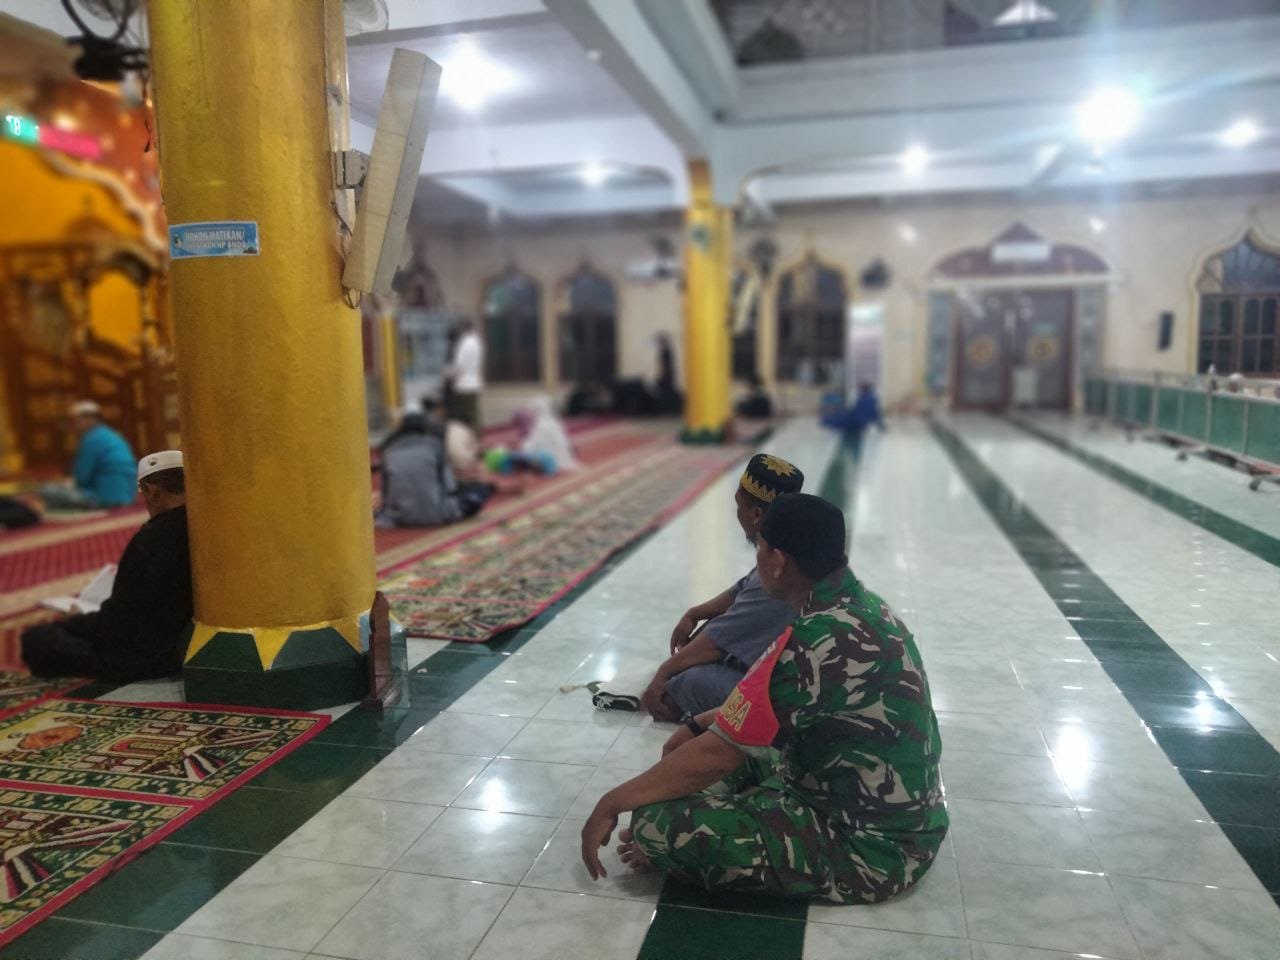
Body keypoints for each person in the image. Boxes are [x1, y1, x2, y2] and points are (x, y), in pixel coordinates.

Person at [581, 493, 947, 904]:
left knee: (654, 820)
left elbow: (717, 756)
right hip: (892, 813)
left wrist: (611, 803)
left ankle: (695, 841)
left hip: (871, 850)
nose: (756, 560)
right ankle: (748, 814)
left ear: (777, 561)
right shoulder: (861, 606)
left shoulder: (814, 640)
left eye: (759, 547)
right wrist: (697, 724)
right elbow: (766, 707)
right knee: (683, 771)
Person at [639, 453, 804, 722]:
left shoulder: (777, 571)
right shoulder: (791, 545)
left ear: (756, 514)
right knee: (697, 648)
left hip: (791, 697)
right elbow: (742, 589)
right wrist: (696, 613)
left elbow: (717, 643)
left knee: (683, 684)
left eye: (738, 504)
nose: (736, 513)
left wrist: (662, 675)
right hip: (794, 670)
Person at [22, 450, 193, 681]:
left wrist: (76, 622)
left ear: (154, 492)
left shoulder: (152, 540)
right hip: (184, 645)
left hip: (144, 658)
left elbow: (117, 623)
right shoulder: (201, 527)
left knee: (38, 638)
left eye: (142, 492)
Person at [376, 411, 492, 528]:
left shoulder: (389, 451)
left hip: (400, 517)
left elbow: (386, 492)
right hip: (435, 515)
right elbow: (450, 486)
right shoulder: (435, 446)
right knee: (480, 490)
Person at [39, 401, 136, 509]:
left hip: (102, 497)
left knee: (47, 490)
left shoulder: (91, 439)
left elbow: (82, 478)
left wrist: (67, 483)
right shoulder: (111, 434)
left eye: (76, 421)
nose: (74, 426)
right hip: (127, 495)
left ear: (89, 419)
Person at [518, 395, 582, 473]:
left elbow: (533, 445)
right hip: (558, 456)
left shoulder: (541, 425)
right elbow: (564, 442)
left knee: (523, 452)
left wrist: (524, 446)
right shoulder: (555, 423)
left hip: (546, 457)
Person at [446, 319, 484, 432]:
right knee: (474, 413)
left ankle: (469, 436)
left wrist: (449, 375)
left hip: (463, 385)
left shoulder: (464, 343)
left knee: (464, 415)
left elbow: (459, 365)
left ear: (463, 329)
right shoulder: (477, 342)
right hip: (474, 383)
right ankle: (478, 435)